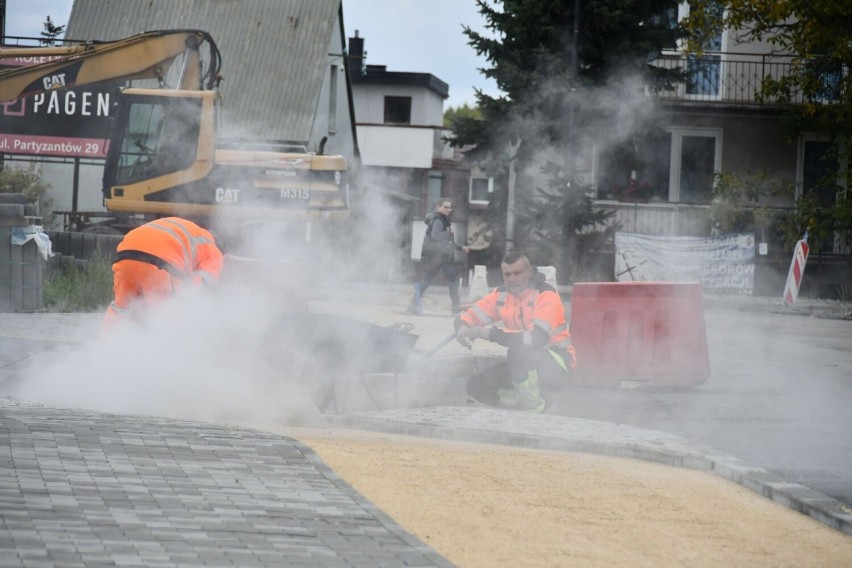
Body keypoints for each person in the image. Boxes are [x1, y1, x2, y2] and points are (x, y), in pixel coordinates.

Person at [454, 250, 576, 413]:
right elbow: (469, 316)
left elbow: (536, 340)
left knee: (518, 351)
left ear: (530, 272)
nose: (512, 279)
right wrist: (462, 327)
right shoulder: (501, 295)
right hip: (525, 362)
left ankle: (532, 407)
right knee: (476, 387)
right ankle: (532, 403)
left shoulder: (546, 295)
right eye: (507, 274)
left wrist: (489, 334)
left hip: (558, 364)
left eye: (518, 273)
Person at [103, 217, 224, 327]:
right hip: (160, 261)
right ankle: (164, 350)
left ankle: (105, 345)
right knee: (167, 315)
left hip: (126, 255)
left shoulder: (190, 231)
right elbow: (200, 287)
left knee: (120, 308)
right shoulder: (213, 251)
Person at [408, 198, 469, 315]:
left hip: (436, 257)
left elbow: (447, 243)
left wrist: (461, 247)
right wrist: (448, 233)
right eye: (446, 207)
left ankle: (412, 306)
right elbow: (436, 236)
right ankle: (455, 309)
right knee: (452, 282)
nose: (448, 209)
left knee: (427, 282)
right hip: (439, 258)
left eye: (450, 207)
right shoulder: (439, 221)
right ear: (438, 207)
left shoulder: (440, 220)